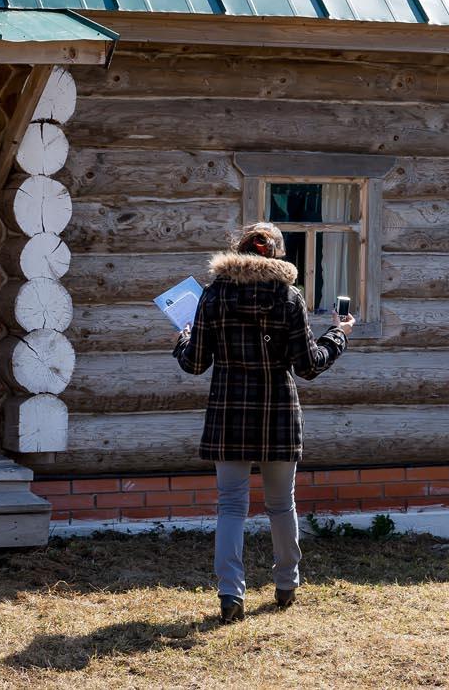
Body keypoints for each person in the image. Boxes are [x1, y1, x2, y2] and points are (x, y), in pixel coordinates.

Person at [173, 222, 352, 624]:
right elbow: (308, 366)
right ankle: (287, 584)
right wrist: (338, 335)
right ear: (278, 255)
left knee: (231, 506)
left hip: (228, 413)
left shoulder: (214, 295)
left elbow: (195, 363)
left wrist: (183, 338)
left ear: (238, 250)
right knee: (280, 504)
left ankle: (229, 593)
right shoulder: (289, 298)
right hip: (279, 414)